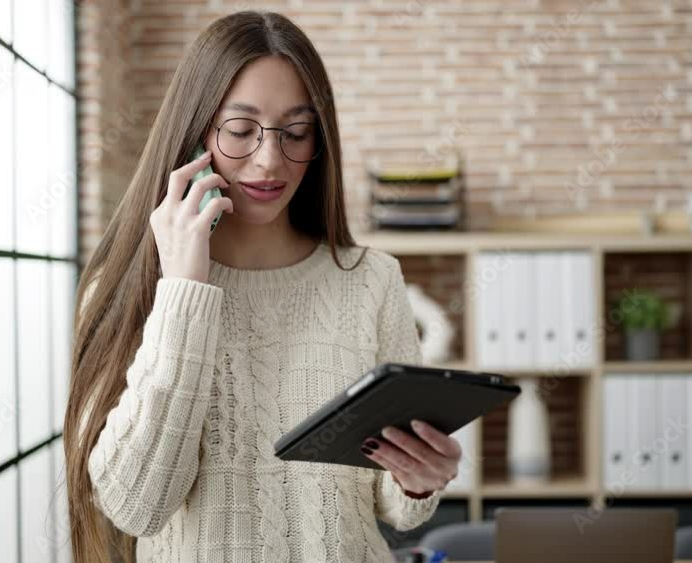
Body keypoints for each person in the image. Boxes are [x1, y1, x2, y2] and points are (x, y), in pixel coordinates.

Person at [63, 11, 461, 563]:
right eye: (241, 130)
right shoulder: (128, 285)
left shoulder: (371, 279)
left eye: (296, 133)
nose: (271, 160)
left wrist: (419, 478)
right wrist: (183, 290)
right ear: (195, 129)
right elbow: (137, 506)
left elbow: (392, 507)